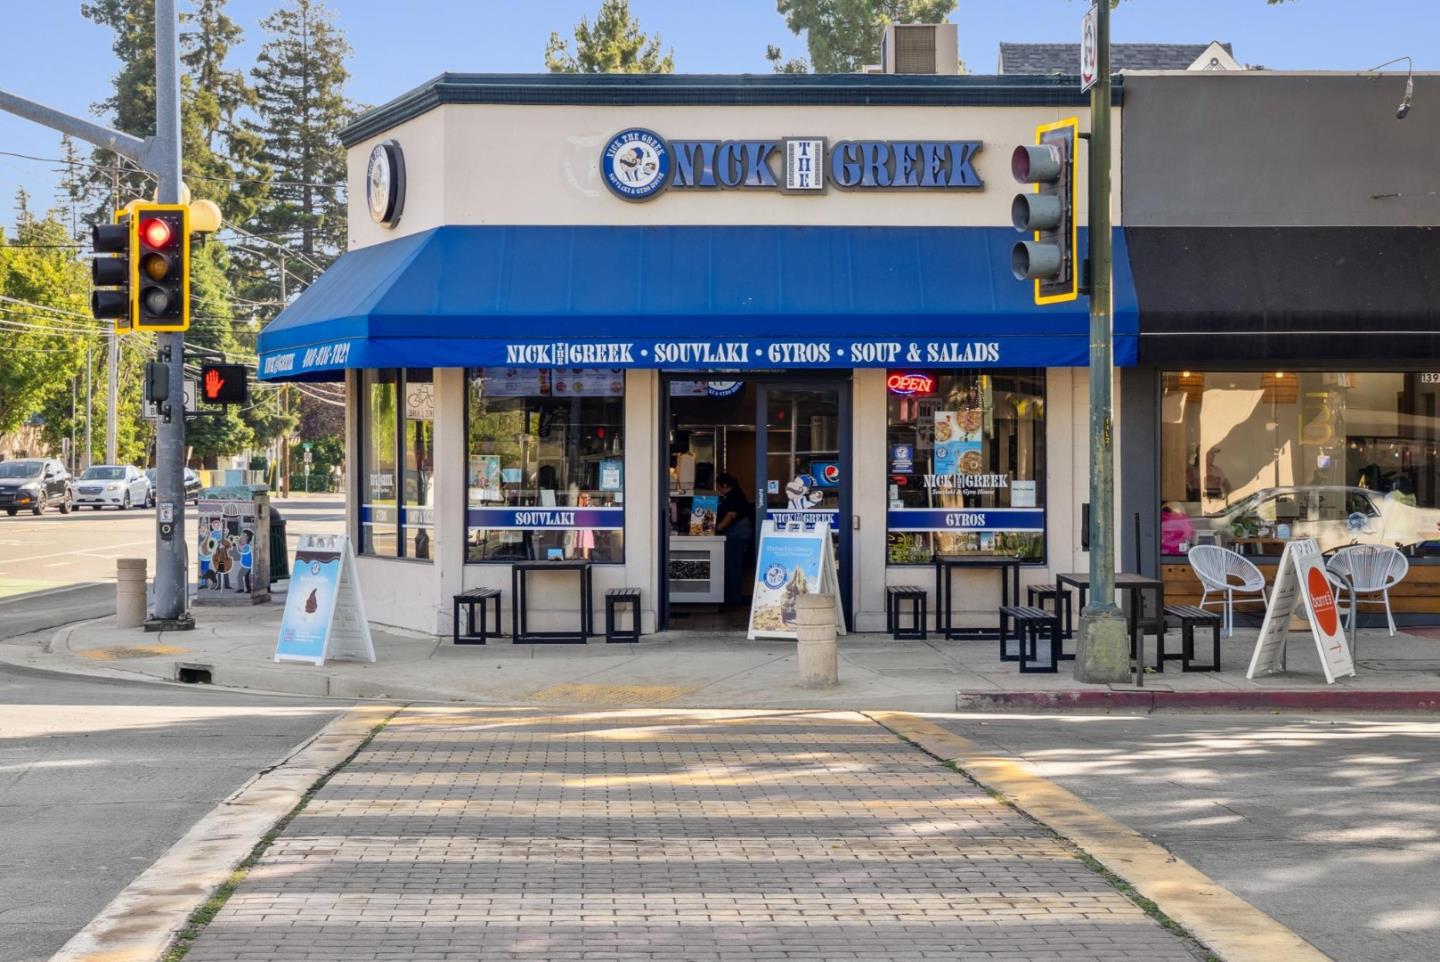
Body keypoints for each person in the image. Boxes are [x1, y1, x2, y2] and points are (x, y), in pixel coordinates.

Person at [714, 473, 754, 606]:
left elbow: (731, 515)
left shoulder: (734, 496)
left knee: (732, 565)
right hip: (738, 533)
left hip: (736, 534)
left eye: (718, 486)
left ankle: (734, 598)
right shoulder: (736, 494)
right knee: (733, 565)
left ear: (725, 485)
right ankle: (733, 596)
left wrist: (718, 528)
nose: (718, 489)